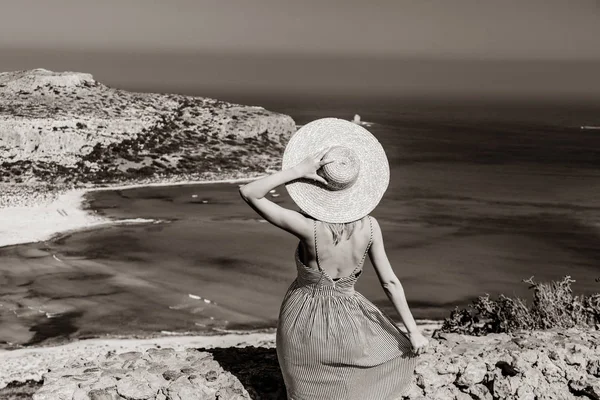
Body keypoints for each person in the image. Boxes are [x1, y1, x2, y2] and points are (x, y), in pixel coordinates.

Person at [239, 118, 429, 400]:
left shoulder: (309, 229)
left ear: (317, 186)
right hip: (349, 324)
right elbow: (390, 282)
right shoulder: (371, 227)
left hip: (302, 324)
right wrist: (413, 332)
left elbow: (250, 192)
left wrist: (297, 170)